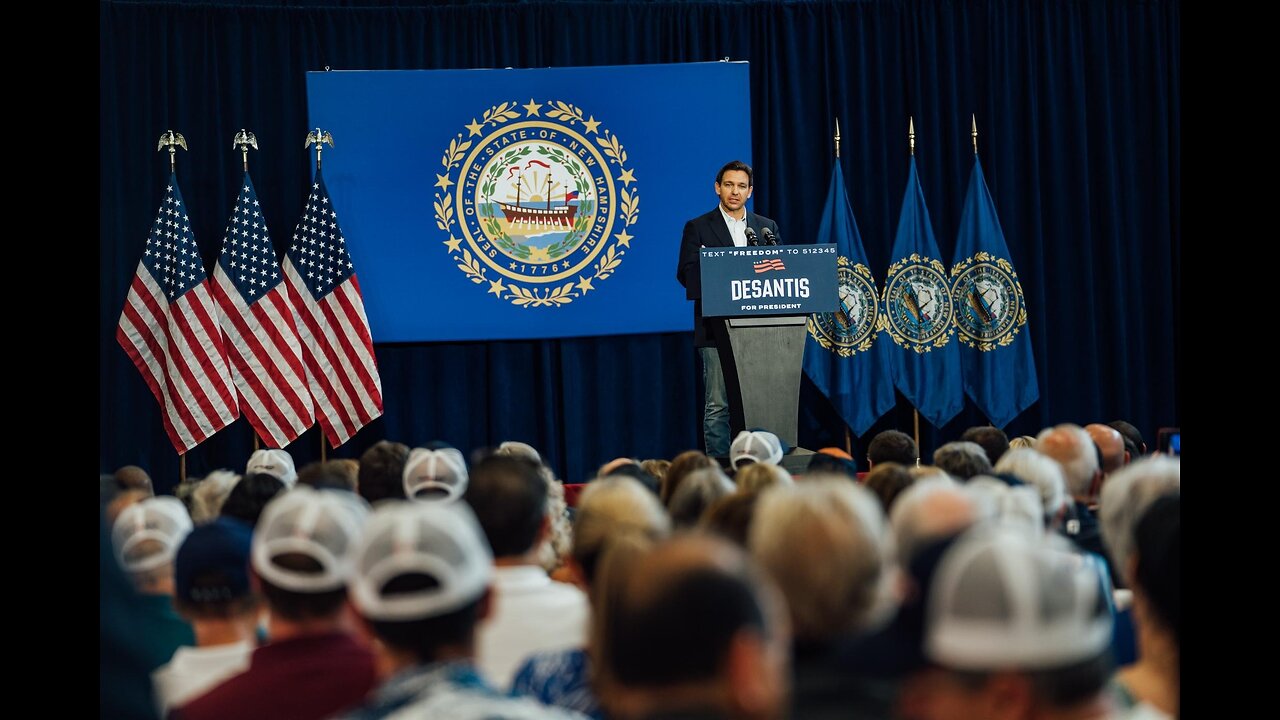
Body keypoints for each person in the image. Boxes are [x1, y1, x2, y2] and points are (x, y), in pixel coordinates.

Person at [676, 160, 780, 457]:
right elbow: (686, 273)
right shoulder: (698, 227)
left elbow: (783, 272)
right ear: (717, 188)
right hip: (715, 330)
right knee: (718, 405)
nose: (735, 191)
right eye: (729, 185)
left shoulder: (766, 228)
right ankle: (721, 472)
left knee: (759, 404)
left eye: (742, 186)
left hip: (761, 330)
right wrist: (722, 270)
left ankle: (761, 466)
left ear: (750, 191)